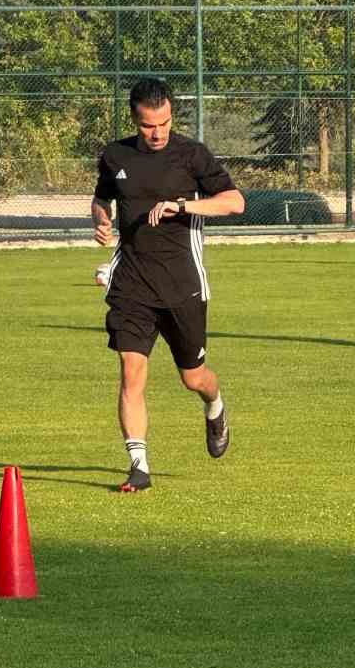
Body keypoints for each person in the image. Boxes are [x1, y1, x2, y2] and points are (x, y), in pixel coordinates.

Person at [92, 77, 245, 493]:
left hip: (182, 285)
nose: (156, 132)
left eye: (163, 123)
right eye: (147, 125)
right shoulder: (114, 155)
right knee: (131, 372)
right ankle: (139, 466)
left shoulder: (191, 154)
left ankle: (215, 406)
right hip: (132, 283)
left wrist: (182, 205)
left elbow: (235, 202)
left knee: (193, 378)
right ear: (134, 119)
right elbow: (102, 199)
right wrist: (100, 221)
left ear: (171, 115)